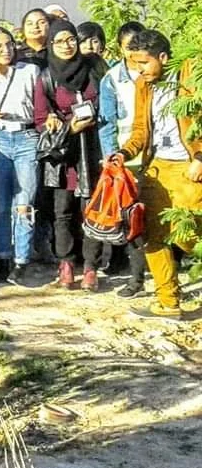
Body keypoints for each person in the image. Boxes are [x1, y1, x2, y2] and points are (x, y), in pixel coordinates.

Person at [111, 29, 202, 320]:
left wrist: (200, 156)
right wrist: (123, 153)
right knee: (151, 234)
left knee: (190, 233)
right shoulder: (143, 85)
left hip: (189, 166)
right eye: (134, 63)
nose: (138, 70)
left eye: (143, 63)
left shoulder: (190, 78)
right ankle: (167, 301)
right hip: (157, 166)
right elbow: (140, 129)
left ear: (163, 57)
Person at [34, 19, 104, 291]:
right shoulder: (46, 77)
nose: (66, 45)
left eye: (70, 39)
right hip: (63, 156)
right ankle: (66, 263)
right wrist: (63, 124)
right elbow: (40, 118)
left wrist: (91, 117)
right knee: (62, 212)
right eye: (59, 41)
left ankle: (90, 267)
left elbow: (106, 103)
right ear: (51, 44)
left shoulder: (93, 69)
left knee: (91, 211)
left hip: (91, 149)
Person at [0, 28, 41, 286]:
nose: (6, 50)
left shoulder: (29, 71)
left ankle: (21, 261)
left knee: (24, 201)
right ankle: (4, 258)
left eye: (9, 44)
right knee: (2, 203)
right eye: (0, 46)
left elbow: (39, 107)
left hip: (26, 137)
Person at [98, 20, 148, 297]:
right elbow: (107, 124)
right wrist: (110, 159)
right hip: (126, 158)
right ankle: (136, 278)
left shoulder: (155, 73)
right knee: (133, 221)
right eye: (130, 47)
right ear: (120, 47)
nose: (134, 52)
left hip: (154, 156)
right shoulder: (112, 79)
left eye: (139, 46)